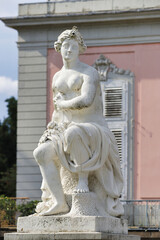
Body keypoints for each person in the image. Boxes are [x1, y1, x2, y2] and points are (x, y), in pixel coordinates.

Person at [33, 26, 124, 217]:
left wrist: (64, 104)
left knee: (72, 133)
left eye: (73, 46)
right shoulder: (57, 76)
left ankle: (83, 179)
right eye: (65, 46)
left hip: (93, 128)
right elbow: (58, 109)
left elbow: (86, 100)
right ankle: (59, 202)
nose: (68, 50)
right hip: (64, 126)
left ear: (79, 49)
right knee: (41, 153)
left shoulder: (88, 73)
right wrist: (52, 127)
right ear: (59, 48)